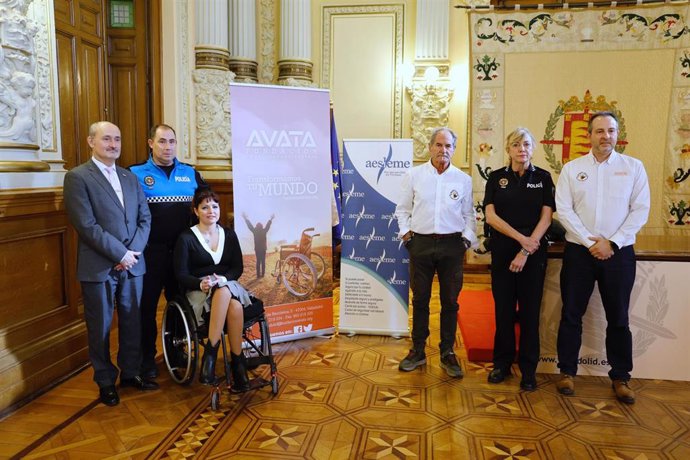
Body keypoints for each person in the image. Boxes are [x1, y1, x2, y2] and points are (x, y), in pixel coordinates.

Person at [555, 111, 650, 404]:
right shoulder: (572, 169)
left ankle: (620, 377)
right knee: (571, 314)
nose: (605, 136)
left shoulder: (633, 168)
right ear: (589, 135)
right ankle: (567, 372)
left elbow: (640, 210)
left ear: (617, 134)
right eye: (599, 131)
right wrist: (589, 242)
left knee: (619, 317)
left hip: (618, 255)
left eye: (610, 131)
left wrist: (613, 243)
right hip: (579, 254)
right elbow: (564, 209)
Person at [63, 121, 157, 407]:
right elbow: (86, 225)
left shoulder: (129, 177)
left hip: (133, 265)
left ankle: (130, 373)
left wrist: (133, 252)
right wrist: (120, 254)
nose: (113, 144)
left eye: (117, 139)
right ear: (91, 141)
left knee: (132, 322)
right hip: (99, 267)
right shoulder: (78, 177)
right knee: (101, 327)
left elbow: (145, 218)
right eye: (106, 139)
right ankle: (105, 381)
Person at [395, 127, 477, 378]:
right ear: (430, 147)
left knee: (450, 302)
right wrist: (407, 236)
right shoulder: (413, 175)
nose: (444, 150)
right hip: (420, 245)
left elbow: (469, 215)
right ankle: (418, 350)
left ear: (454, 149)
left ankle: (447, 352)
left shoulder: (463, 180)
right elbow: (402, 210)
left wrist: (465, 241)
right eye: (439, 145)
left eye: (449, 146)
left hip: (452, 246)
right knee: (420, 300)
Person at [129, 124, 205, 379]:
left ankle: (177, 352)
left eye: (172, 141)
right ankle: (146, 361)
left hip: (183, 254)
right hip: (150, 254)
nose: (168, 147)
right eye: (162, 141)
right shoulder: (135, 174)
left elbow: (206, 207)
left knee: (181, 305)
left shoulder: (191, 174)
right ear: (151, 143)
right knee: (146, 308)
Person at [483, 127, 555, 391]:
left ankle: (528, 370)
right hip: (503, 253)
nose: (521, 149)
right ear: (508, 149)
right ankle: (501, 364)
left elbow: (546, 218)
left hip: (533, 256)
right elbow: (491, 217)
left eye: (526, 144)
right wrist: (520, 240)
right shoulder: (496, 178)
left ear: (532, 148)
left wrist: (526, 249)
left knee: (529, 314)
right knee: (503, 312)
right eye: (516, 145)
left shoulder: (544, 178)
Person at [174, 187, 251, 391]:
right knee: (234, 307)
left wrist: (223, 278)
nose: (211, 211)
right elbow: (181, 274)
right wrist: (200, 283)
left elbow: (238, 267)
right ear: (196, 211)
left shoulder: (229, 234)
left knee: (224, 289)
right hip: (199, 290)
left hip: (228, 284)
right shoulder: (186, 238)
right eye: (205, 207)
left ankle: (211, 352)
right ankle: (238, 364)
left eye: (215, 206)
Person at [242, 212, 274, 278]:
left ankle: (258, 275)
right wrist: (271, 219)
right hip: (263, 249)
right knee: (263, 262)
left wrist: (245, 218)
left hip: (257, 249)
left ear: (256, 226)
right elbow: (268, 225)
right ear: (262, 226)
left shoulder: (255, 231)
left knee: (258, 262)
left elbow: (249, 226)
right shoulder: (264, 231)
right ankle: (263, 275)